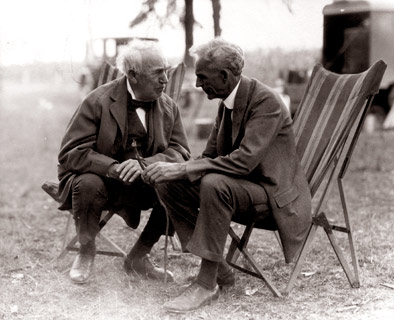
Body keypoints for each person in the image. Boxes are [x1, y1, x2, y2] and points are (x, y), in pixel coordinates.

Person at [142, 38, 312, 313]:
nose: (197, 85)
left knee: (214, 183)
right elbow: (210, 157)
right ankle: (220, 268)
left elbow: (244, 161)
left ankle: (206, 283)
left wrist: (183, 168)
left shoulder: (266, 101)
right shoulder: (227, 102)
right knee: (170, 185)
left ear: (224, 76)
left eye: (202, 77)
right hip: (243, 188)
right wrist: (174, 171)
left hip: (273, 195)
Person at [57, 40, 190, 284]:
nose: (165, 80)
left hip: (143, 186)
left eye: (166, 71)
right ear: (133, 75)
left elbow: (181, 152)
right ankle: (86, 252)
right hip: (102, 185)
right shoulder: (97, 101)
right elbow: (71, 153)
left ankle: (138, 256)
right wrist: (112, 168)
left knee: (177, 186)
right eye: (157, 73)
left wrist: (148, 164)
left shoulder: (169, 107)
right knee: (86, 183)